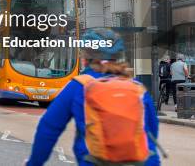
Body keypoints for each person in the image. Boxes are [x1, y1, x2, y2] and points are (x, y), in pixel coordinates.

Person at [25, 28, 160, 166]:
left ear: (85, 58)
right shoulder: (137, 88)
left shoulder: (79, 86)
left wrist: (33, 163)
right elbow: (152, 130)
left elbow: (48, 129)